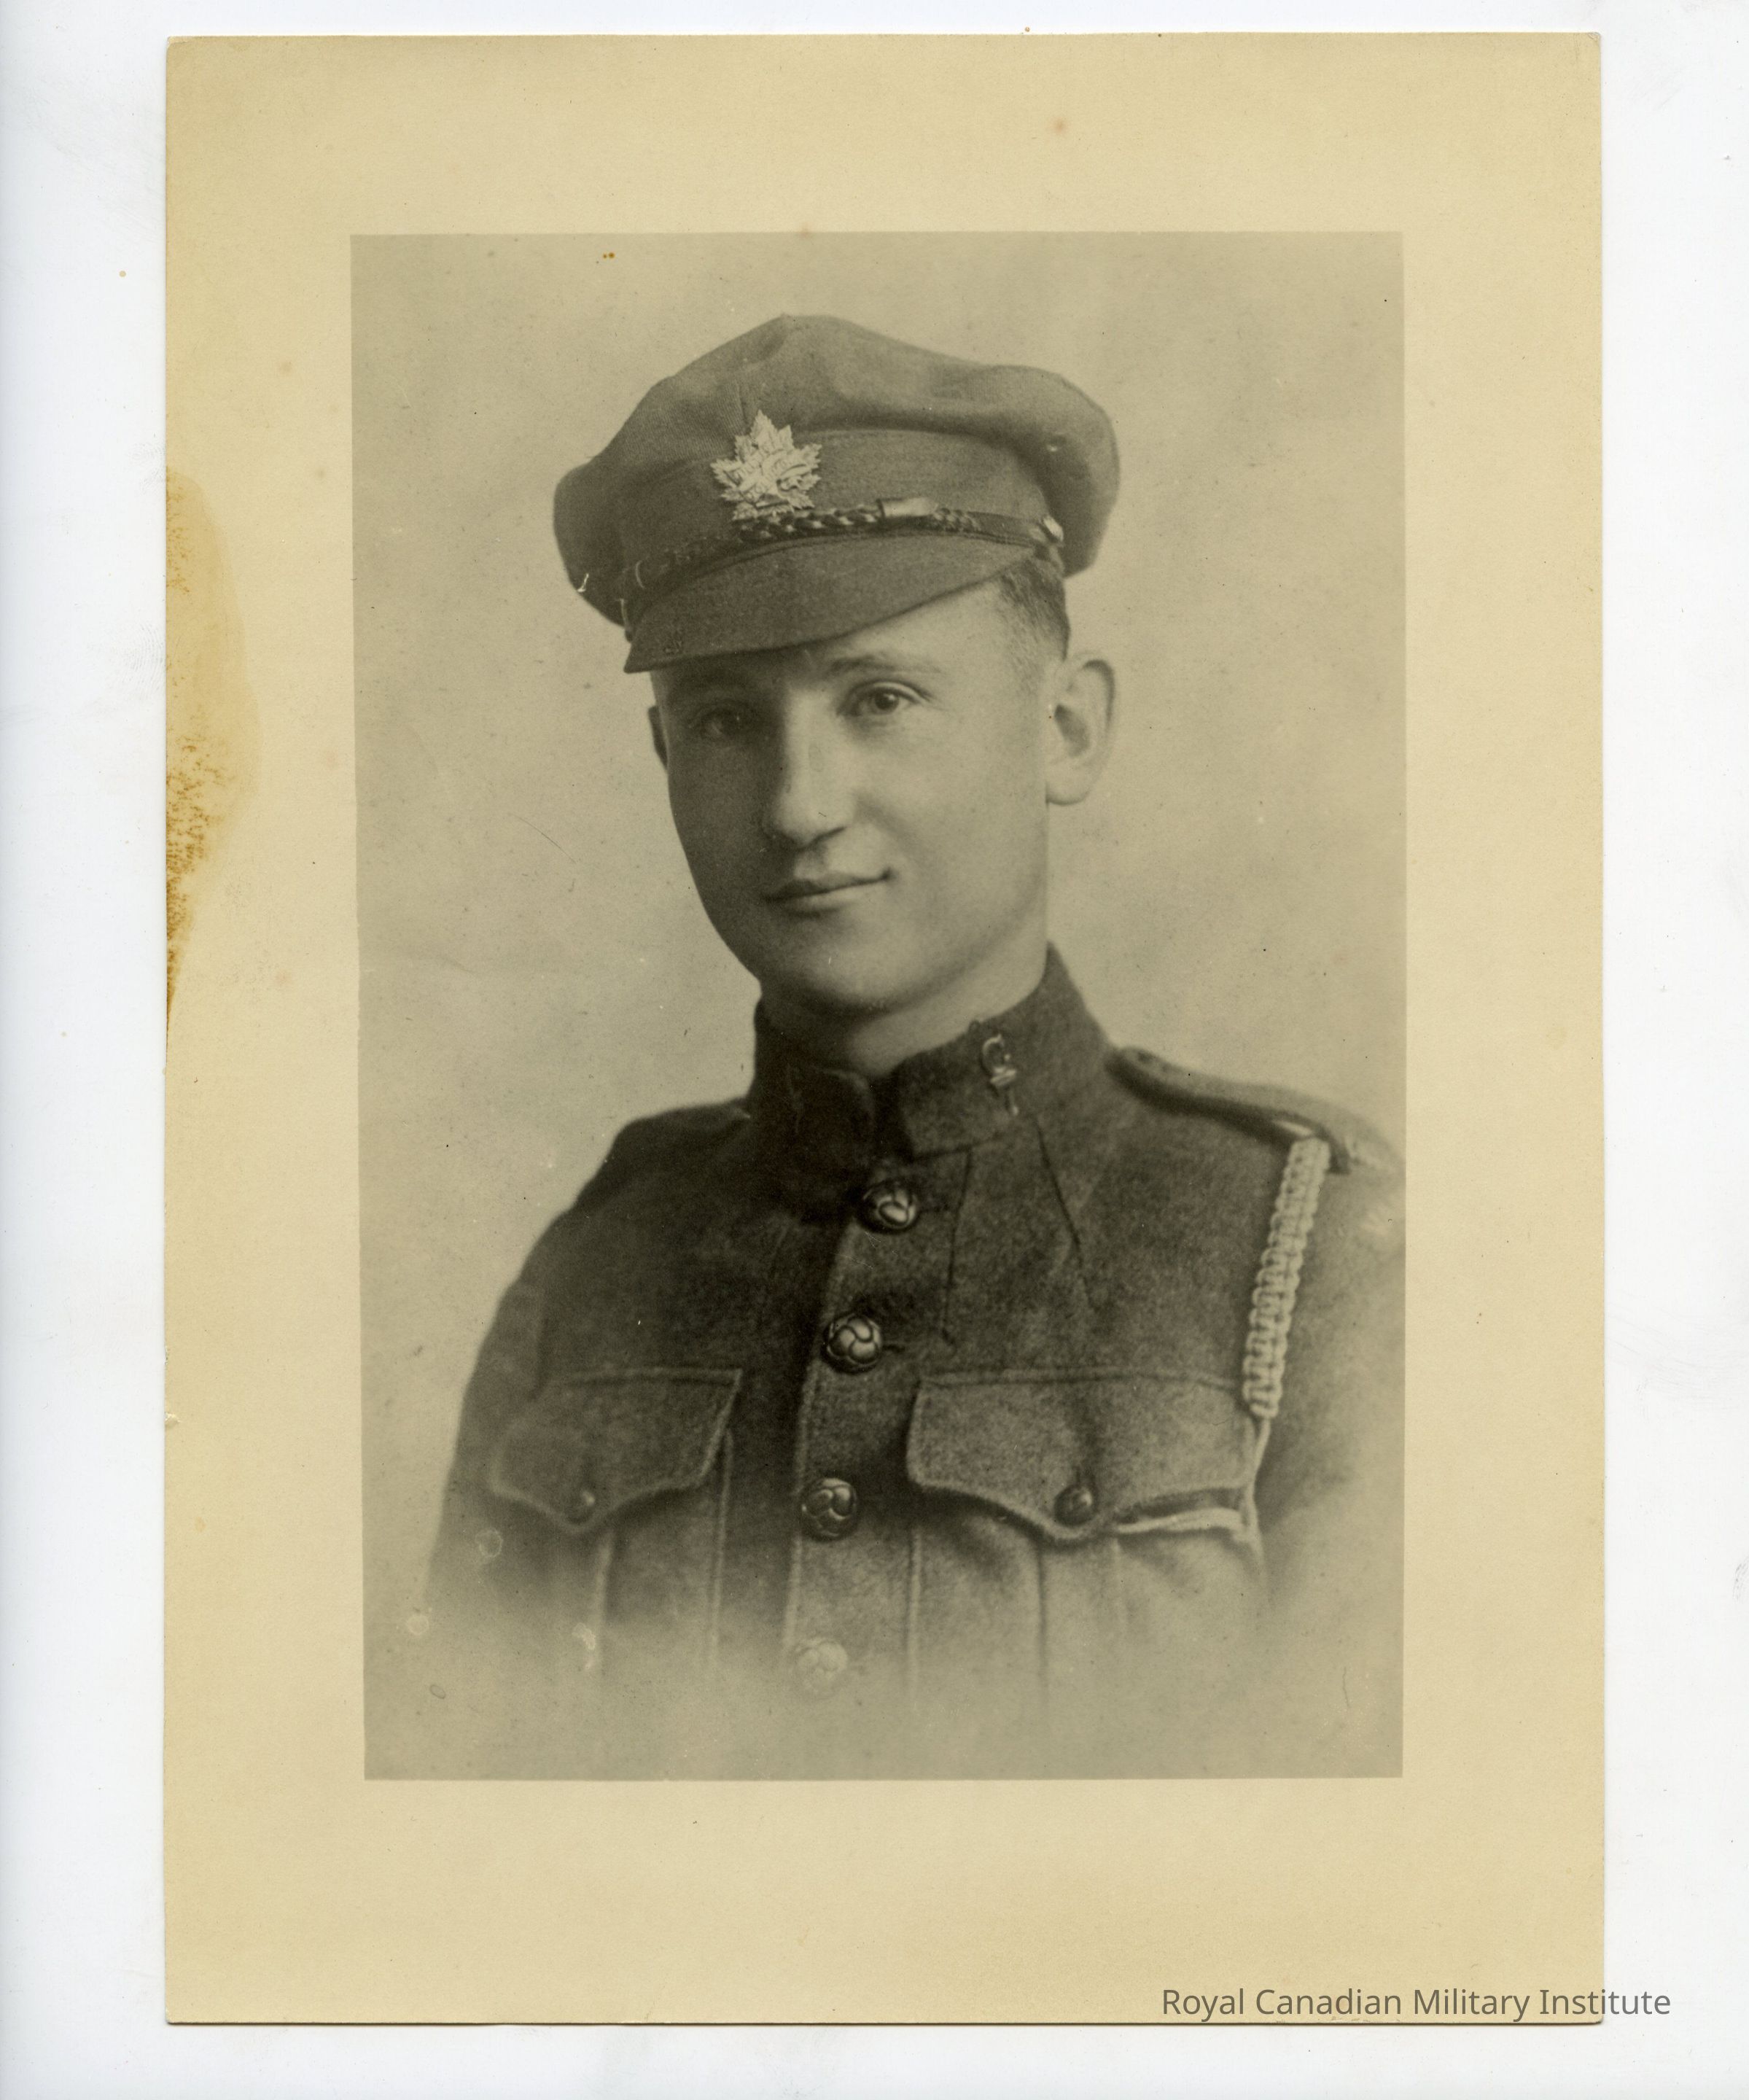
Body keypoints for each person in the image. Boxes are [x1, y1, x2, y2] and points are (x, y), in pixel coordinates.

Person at [415, 313, 1403, 1780]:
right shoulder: (598, 1266)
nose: (800, 804)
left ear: (1066, 730)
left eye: (880, 700)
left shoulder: (1308, 1246)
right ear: (664, 759)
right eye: (725, 720)